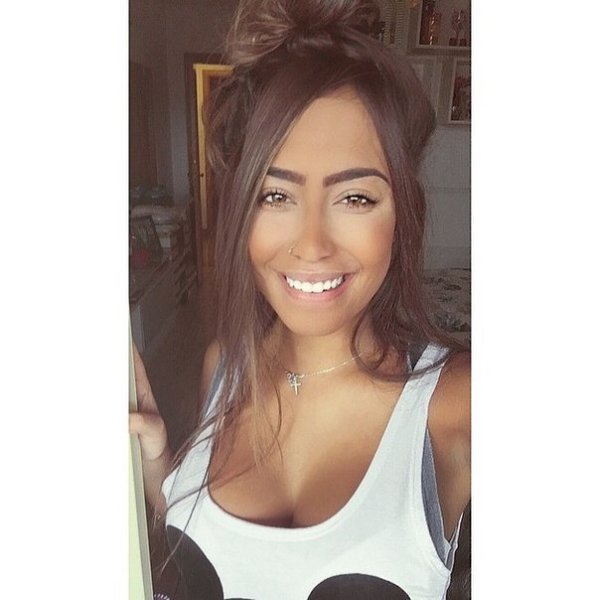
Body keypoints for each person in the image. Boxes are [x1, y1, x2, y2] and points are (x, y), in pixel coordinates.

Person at [130, 1, 471, 598]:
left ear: (402, 214)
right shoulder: (224, 365)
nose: (312, 245)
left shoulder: (457, 404)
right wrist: (160, 466)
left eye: (355, 198)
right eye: (275, 196)